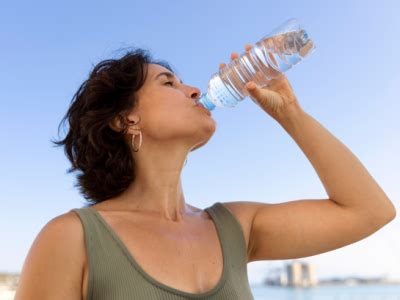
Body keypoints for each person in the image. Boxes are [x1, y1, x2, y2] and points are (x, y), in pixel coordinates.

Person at [14, 45, 396, 300]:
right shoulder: (71, 238)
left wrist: (290, 113)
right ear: (125, 118)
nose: (194, 90)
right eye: (169, 83)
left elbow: (370, 211)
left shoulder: (235, 227)